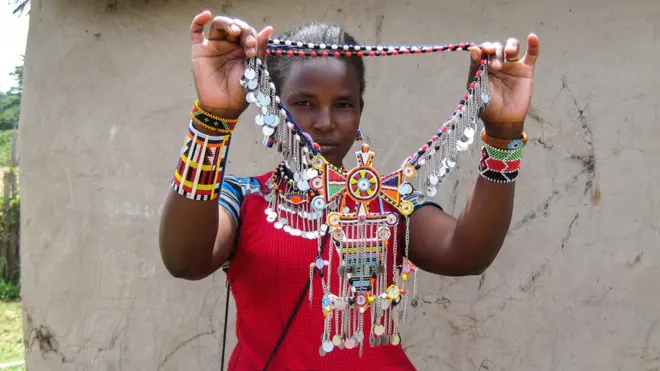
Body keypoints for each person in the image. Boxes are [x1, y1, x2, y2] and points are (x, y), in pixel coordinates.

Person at [159, 10, 540, 371]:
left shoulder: (388, 203)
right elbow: (185, 260)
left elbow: (465, 253)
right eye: (304, 103)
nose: (325, 122)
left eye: (343, 104)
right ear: (271, 108)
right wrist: (213, 119)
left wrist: (503, 135)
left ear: (359, 112)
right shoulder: (244, 199)